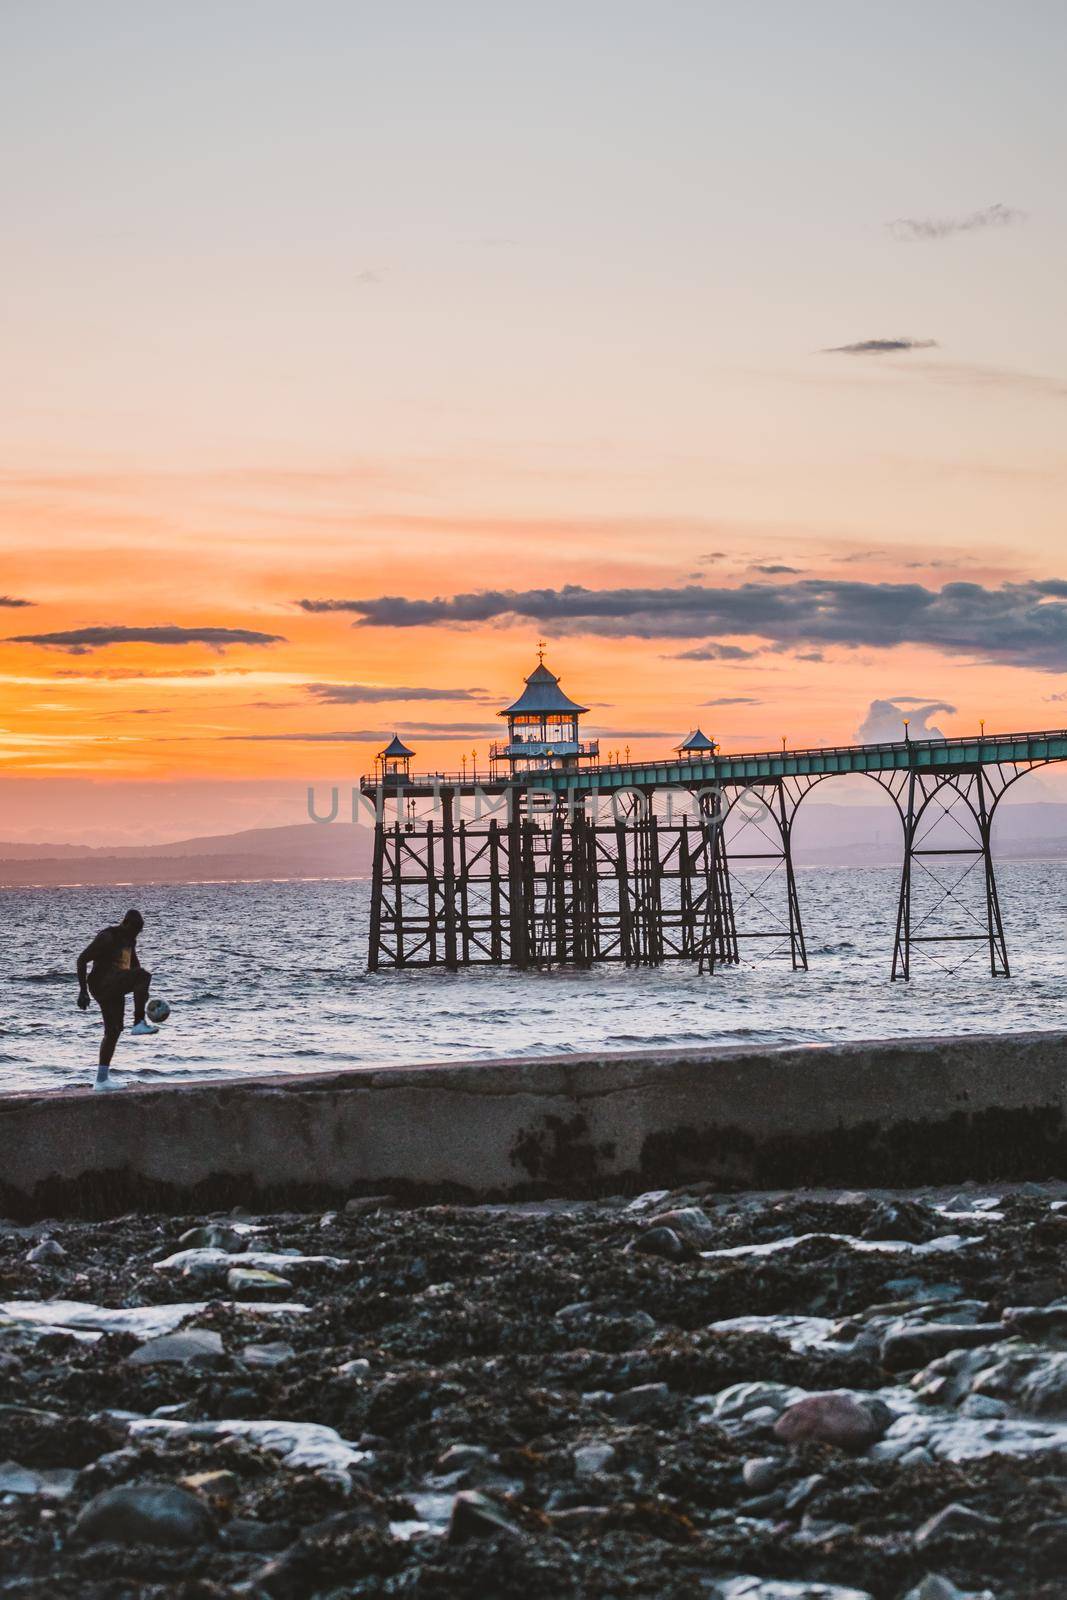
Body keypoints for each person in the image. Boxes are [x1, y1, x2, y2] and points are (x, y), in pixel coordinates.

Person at [76, 908, 157, 1091]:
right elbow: (82, 960)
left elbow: (135, 967)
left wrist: (142, 992)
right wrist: (82, 992)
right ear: (125, 923)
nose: (135, 934)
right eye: (133, 929)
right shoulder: (108, 937)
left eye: (138, 932)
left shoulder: (130, 939)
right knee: (143, 976)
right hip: (101, 983)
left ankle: (101, 1080)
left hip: (116, 984)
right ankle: (138, 1022)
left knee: (114, 1030)